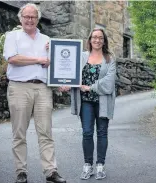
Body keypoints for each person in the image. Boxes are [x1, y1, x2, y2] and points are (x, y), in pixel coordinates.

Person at [3, 3, 66, 183]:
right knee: (19, 132)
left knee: (45, 131)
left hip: (43, 88)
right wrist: (39, 59)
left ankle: (51, 171)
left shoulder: (46, 39)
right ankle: (21, 172)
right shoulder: (12, 36)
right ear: (20, 18)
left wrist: (59, 78)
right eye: (26, 17)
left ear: (37, 19)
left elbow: (54, 63)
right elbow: (13, 59)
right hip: (19, 87)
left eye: (33, 17)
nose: (30, 20)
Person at [59, 28, 116, 180]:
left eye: (100, 38)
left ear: (104, 41)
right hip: (86, 102)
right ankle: (88, 165)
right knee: (87, 133)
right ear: (90, 40)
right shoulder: (81, 56)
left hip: (103, 102)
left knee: (102, 132)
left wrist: (91, 87)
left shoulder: (109, 58)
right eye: (94, 37)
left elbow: (109, 83)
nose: (97, 40)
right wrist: (65, 83)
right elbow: (71, 73)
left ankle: (100, 166)